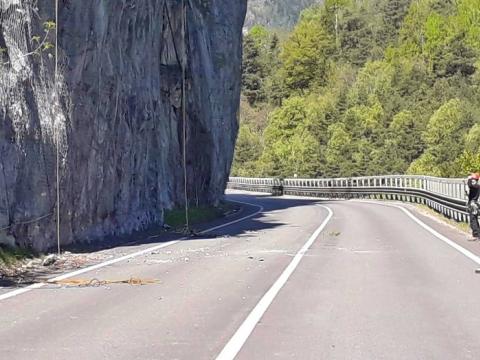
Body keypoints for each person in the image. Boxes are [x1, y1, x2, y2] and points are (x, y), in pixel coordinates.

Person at [467, 172, 480, 240]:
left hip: (473, 204)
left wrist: (469, 179)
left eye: (473, 180)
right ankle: (478, 233)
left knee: (473, 219)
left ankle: (475, 235)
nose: (472, 181)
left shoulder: (476, 186)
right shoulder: (477, 186)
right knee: (474, 219)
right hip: (473, 204)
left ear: (476, 180)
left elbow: (469, 185)